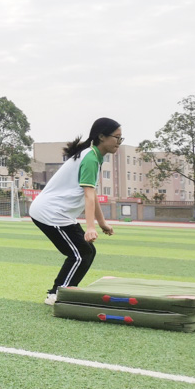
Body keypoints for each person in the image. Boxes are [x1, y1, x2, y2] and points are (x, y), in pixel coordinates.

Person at [29, 118, 120, 305]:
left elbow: (92, 195)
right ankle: (57, 294)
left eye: (121, 138)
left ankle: (64, 291)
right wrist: (90, 227)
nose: (119, 142)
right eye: (116, 137)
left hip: (58, 213)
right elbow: (88, 195)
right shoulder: (90, 157)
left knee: (87, 252)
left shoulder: (93, 156)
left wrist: (102, 223)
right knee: (80, 253)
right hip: (51, 212)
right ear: (102, 137)